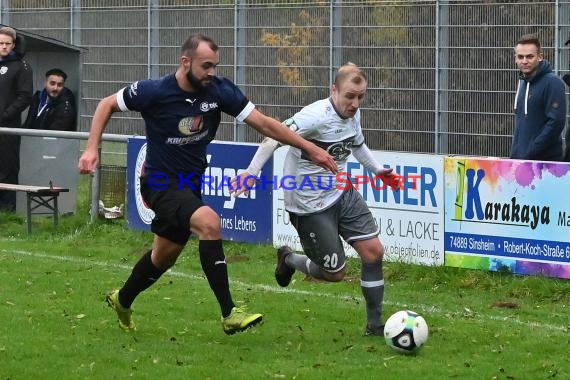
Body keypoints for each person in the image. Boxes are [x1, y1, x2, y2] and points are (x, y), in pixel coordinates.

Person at [78, 34, 337, 335]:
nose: (211, 72)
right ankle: (230, 313)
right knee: (209, 223)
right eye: (206, 66)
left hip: (190, 184)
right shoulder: (154, 91)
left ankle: (121, 300)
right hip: (159, 183)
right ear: (185, 62)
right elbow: (106, 104)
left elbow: (265, 124)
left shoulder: (219, 91)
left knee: (162, 257)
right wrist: (91, 147)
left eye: (215, 65)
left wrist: (310, 148)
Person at [231, 63, 398, 336]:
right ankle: (289, 261)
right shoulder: (315, 117)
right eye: (349, 96)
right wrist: (251, 173)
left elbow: (356, 144)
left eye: (360, 97)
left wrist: (378, 170)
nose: (355, 103)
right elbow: (273, 137)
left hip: (341, 192)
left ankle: (376, 326)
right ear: (334, 90)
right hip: (308, 204)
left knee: (374, 252)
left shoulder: (352, 114)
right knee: (335, 274)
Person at [511, 34, 566, 161]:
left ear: (540, 57)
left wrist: (531, 153)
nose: (524, 61)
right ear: (515, 59)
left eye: (530, 56)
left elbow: (556, 123)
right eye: (520, 57)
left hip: (545, 165)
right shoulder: (523, 82)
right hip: (521, 163)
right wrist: (515, 156)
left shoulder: (553, 83)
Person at [0, 26, 33, 212]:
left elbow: (25, 96)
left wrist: (4, 116)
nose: (4, 47)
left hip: (8, 128)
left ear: (13, 44)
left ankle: (6, 209)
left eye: (7, 44)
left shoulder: (21, 66)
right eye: (0, 43)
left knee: (7, 167)